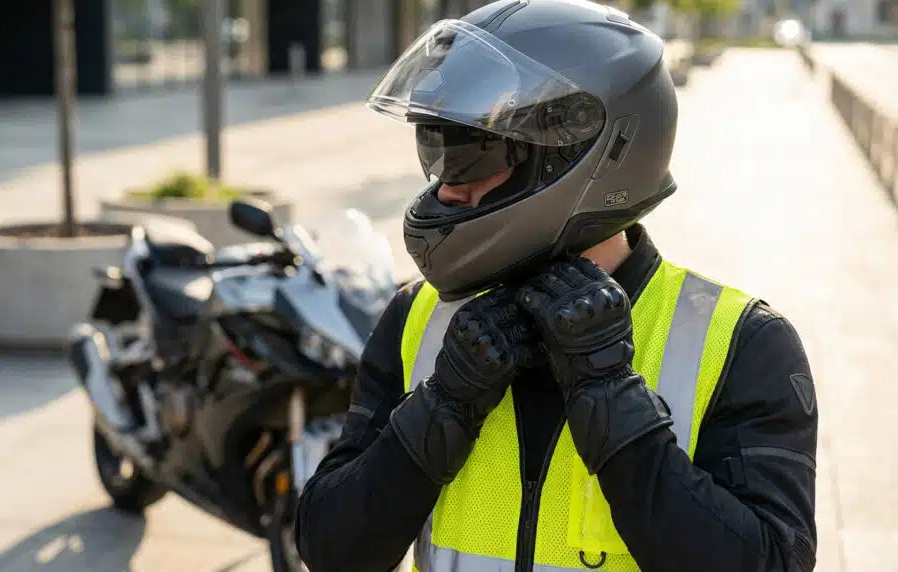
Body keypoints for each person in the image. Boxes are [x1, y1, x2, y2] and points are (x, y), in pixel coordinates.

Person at [295, 1, 818, 571]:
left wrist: (615, 403)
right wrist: (443, 405)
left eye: (469, 156)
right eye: (435, 150)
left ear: (577, 156)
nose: (446, 189)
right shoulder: (415, 320)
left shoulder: (740, 342)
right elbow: (331, 550)